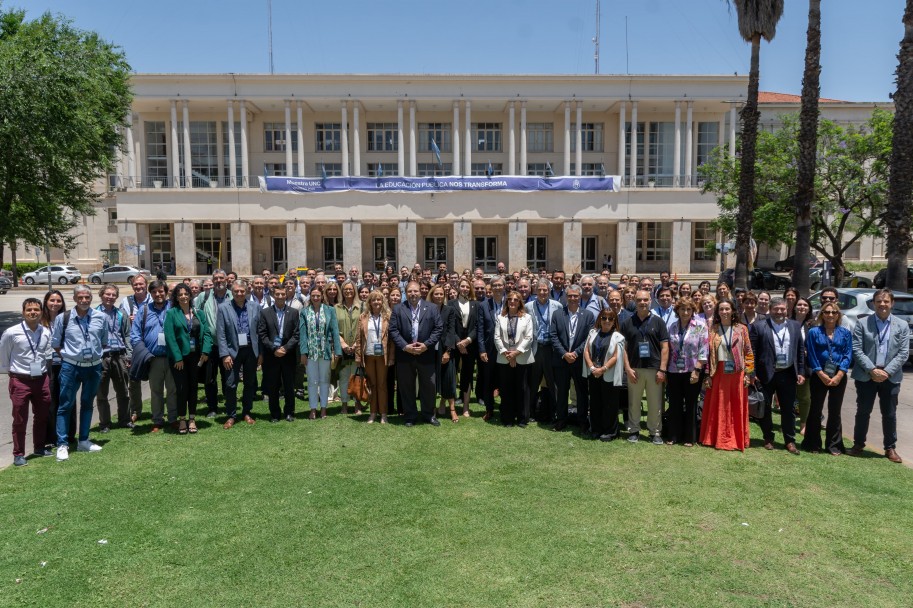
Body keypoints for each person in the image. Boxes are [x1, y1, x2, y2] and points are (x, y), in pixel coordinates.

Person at [849, 289, 910, 463]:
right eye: (879, 301)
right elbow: (856, 349)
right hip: (866, 376)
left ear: (892, 303)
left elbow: (903, 353)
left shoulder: (902, 325)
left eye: (886, 301)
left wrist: (887, 371)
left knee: (889, 414)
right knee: (863, 412)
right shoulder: (862, 323)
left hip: (890, 377)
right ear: (873, 303)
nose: (882, 304)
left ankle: (890, 448)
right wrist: (872, 370)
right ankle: (858, 445)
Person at [51, 285, 108, 460]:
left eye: (87, 297)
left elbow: (103, 342)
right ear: (75, 299)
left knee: (87, 404)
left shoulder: (101, 317)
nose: (84, 300)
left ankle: (84, 440)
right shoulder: (64, 318)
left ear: (91, 298)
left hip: (93, 367)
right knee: (65, 405)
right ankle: (62, 444)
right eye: (80, 297)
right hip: (71, 367)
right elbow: (56, 344)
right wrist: (71, 358)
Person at [0, 298, 54, 466]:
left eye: (36, 309)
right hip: (20, 380)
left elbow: (47, 353)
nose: (33, 312)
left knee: (42, 416)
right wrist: (12, 373)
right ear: (23, 312)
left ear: (41, 312)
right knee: (20, 418)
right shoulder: (11, 332)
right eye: (29, 309)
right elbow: (4, 356)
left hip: (41, 379)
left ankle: (39, 447)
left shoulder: (45, 331)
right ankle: (19, 454)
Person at [750, 297, 806, 453]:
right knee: (765, 407)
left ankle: (790, 441)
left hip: (788, 373)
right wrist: (752, 373)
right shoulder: (759, 326)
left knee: (788, 409)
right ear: (770, 309)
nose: (779, 312)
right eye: (776, 309)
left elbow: (800, 351)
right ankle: (768, 437)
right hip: (766, 374)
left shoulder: (795, 326)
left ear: (787, 309)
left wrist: (801, 371)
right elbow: (752, 352)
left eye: (782, 309)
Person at [699, 300, 755, 451]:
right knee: (719, 405)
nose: (724, 312)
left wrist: (748, 374)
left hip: (737, 373)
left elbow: (748, 352)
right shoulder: (713, 329)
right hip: (718, 372)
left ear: (732, 311)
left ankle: (735, 439)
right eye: (721, 309)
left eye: (727, 309)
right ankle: (715, 437)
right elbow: (707, 353)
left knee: (736, 406)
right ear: (718, 312)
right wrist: (707, 375)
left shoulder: (742, 329)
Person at [390, 280, 443, 426]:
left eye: (415, 291)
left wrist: (426, 345)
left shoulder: (432, 308)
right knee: (406, 386)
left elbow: (438, 329)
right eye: (409, 291)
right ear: (405, 293)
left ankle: (428, 414)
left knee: (429, 385)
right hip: (405, 355)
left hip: (426, 354)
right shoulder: (398, 309)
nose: (413, 294)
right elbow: (393, 330)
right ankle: (410, 416)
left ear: (421, 292)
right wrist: (405, 346)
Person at [620, 289, 670, 444]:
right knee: (634, 402)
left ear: (650, 301)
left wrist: (662, 369)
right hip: (634, 369)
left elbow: (665, 347)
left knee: (655, 403)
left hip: (654, 369)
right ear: (635, 301)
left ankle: (655, 432)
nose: (642, 303)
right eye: (639, 300)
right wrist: (627, 369)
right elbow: (623, 348)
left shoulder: (658, 322)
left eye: (645, 300)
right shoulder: (627, 322)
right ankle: (634, 430)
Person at [803, 301, 852, 455]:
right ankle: (813, 444)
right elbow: (811, 354)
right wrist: (820, 373)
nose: (830, 315)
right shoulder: (814, 332)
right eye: (827, 312)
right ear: (822, 314)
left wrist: (839, 374)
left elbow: (848, 354)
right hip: (819, 374)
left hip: (839, 374)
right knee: (816, 409)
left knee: (835, 410)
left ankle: (834, 445)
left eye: (833, 312)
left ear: (838, 315)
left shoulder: (845, 333)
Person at [129, 279, 176, 432]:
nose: (158, 294)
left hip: (173, 358)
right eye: (154, 292)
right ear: (151, 293)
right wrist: (145, 354)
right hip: (153, 358)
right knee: (155, 391)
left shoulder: (174, 308)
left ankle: (173, 418)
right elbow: (135, 336)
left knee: (173, 390)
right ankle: (157, 420)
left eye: (161, 291)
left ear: (166, 292)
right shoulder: (144, 311)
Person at [164, 283, 210, 434]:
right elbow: (170, 337)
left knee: (193, 388)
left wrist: (205, 351)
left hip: (196, 357)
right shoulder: (172, 313)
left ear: (190, 295)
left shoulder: (198, 313)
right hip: (179, 359)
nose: (183, 297)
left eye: (186, 294)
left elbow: (207, 333)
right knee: (182, 389)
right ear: (176, 298)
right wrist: (177, 358)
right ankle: (182, 419)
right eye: (180, 295)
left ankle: (192, 419)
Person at [217, 279, 263, 428]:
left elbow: (260, 331)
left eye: (242, 291)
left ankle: (246, 412)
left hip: (251, 350)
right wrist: (224, 354)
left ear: (247, 291)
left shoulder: (255, 307)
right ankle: (231, 414)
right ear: (232, 291)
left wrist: (260, 353)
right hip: (232, 352)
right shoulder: (224, 308)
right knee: (230, 384)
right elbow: (221, 333)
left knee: (250, 383)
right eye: (236, 291)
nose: (239, 293)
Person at [550, 284, 595, 432]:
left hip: (579, 360)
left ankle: (582, 420)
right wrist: (564, 353)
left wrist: (576, 353)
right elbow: (553, 336)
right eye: (570, 296)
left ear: (580, 297)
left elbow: (589, 338)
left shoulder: (588, 315)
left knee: (581, 392)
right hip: (561, 360)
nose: (573, 298)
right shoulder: (557, 314)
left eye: (575, 296)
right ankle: (561, 419)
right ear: (566, 297)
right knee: (562, 391)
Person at [665, 297, 709, 446]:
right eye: (682, 309)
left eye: (688, 309)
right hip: (673, 370)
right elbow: (668, 349)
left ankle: (689, 437)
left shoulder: (700, 326)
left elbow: (704, 351)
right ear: (677, 310)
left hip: (692, 370)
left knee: (691, 404)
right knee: (675, 403)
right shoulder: (672, 326)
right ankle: (673, 435)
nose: (685, 312)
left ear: (693, 311)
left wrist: (697, 370)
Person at [257, 283, 300, 422]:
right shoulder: (265, 312)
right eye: (277, 294)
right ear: (273, 295)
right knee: (273, 386)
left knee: (289, 386)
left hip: (288, 355)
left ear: (286, 294)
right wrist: (274, 349)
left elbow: (296, 334)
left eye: (283, 294)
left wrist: (285, 348)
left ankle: (289, 412)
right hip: (272, 356)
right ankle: (275, 413)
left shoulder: (293, 312)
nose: (280, 296)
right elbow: (262, 334)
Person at [299, 285, 341, 419]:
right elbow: (302, 334)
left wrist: (337, 351)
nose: (316, 298)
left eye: (318, 295)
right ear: (310, 297)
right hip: (311, 352)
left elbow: (335, 331)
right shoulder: (305, 312)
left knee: (324, 380)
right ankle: (312, 408)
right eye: (313, 296)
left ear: (322, 296)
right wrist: (303, 352)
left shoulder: (329, 310)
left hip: (325, 351)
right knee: (312, 381)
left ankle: (323, 408)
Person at [583, 309, 625, 441]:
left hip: (609, 374)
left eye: (610, 319)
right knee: (595, 402)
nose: (607, 321)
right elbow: (586, 351)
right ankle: (596, 429)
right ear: (599, 319)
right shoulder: (592, 332)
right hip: (593, 373)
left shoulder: (618, 337)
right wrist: (591, 367)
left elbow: (616, 356)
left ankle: (610, 431)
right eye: (604, 318)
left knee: (610, 404)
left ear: (614, 322)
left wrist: (603, 369)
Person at [494, 290, 534, 427]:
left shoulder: (527, 318)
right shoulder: (500, 318)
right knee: (506, 389)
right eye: (510, 299)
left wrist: (516, 353)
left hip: (522, 358)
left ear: (520, 303)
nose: (512, 302)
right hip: (504, 358)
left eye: (516, 300)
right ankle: (507, 418)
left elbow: (529, 337)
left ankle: (522, 418)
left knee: (522, 388)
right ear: (507, 301)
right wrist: (507, 353)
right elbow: (497, 337)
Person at [95, 284, 132, 433]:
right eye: (107, 294)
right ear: (101, 295)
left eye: (113, 295)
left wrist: (129, 355)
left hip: (119, 355)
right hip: (102, 357)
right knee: (101, 392)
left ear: (116, 297)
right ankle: (105, 423)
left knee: (123, 391)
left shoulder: (121, 313)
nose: (110, 297)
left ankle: (124, 420)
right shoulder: (94, 313)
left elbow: (127, 335)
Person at [195, 269, 231, 418]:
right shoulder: (203, 297)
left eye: (221, 278)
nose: (218, 281)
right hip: (210, 345)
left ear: (226, 280)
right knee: (210, 378)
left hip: (228, 345)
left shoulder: (232, 295)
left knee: (228, 377)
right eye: (215, 278)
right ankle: (212, 407)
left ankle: (230, 405)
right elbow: (197, 318)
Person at [526, 279, 562, 423]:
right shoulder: (528, 306)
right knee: (533, 383)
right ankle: (530, 413)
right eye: (539, 289)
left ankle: (555, 413)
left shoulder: (557, 306)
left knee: (553, 384)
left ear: (549, 290)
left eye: (545, 290)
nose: (542, 292)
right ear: (535, 290)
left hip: (550, 349)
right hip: (535, 348)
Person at [355, 291, 393, 424]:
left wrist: (392, 357)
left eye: (379, 300)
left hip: (383, 356)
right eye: (374, 300)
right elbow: (359, 339)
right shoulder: (363, 317)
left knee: (382, 385)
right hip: (369, 355)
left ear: (383, 302)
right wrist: (358, 357)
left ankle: (383, 414)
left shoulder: (388, 317)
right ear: (369, 302)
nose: (376, 302)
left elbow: (392, 340)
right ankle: (372, 413)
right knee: (372, 384)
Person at [40, 290, 73, 445]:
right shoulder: (40, 322)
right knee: (50, 401)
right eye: (52, 300)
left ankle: (69, 435)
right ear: (46, 302)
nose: (55, 303)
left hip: (65, 364)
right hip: (48, 366)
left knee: (68, 400)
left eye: (58, 300)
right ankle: (51, 437)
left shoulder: (67, 320)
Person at [120, 274, 150, 424]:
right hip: (135, 346)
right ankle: (136, 410)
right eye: (135, 285)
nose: (138, 287)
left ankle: (160, 411)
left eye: (141, 284)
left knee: (157, 379)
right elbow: (121, 325)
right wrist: (129, 319)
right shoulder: (126, 302)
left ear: (146, 285)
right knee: (134, 380)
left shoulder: (154, 298)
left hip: (152, 345)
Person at [429, 284, 459, 422]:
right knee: (432, 382)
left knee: (448, 379)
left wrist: (447, 351)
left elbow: (451, 331)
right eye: (436, 294)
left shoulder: (450, 310)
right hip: (430, 350)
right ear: (432, 295)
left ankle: (452, 409)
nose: (439, 296)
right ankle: (431, 409)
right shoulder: (426, 309)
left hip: (446, 349)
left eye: (441, 294)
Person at [449, 278, 479, 417]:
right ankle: (452, 407)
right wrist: (458, 342)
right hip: (455, 344)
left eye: (467, 286)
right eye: (462, 286)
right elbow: (450, 326)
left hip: (470, 344)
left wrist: (467, 341)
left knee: (467, 375)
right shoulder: (451, 303)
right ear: (458, 287)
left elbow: (478, 326)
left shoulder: (475, 304)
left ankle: (466, 407)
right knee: (451, 374)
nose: (465, 288)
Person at [334, 280, 362, 415]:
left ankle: (357, 404)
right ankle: (344, 404)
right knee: (344, 376)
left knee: (357, 376)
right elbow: (333, 329)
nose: (348, 291)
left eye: (351, 289)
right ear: (342, 291)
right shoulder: (336, 308)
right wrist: (343, 344)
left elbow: (364, 328)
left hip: (358, 347)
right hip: (342, 348)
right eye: (345, 289)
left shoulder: (361, 306)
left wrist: (357, 343)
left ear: (354, 290)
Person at [475, 277, 501, 421]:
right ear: (491, 288)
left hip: (506, 349)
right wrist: (482, 349)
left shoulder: (510, 302)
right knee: (488, 380)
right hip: (489, 349)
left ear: (504, 287)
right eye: (495, 285)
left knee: (505, 379)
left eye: (499, 285)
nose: (497, 288)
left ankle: (506, 408)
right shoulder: (484, 305)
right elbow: (480, 329)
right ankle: (489, 409)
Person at [792, 296, 814, 435]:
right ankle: (788, 422)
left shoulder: (812, 325)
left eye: (805, 305)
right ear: (794, 307)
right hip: (788, 365)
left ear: (809, 309)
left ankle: (803, 423)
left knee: (805, 397)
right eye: (799, 305)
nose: (802, 307)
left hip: (805, 366)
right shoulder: (788, 323)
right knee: (788, 397)